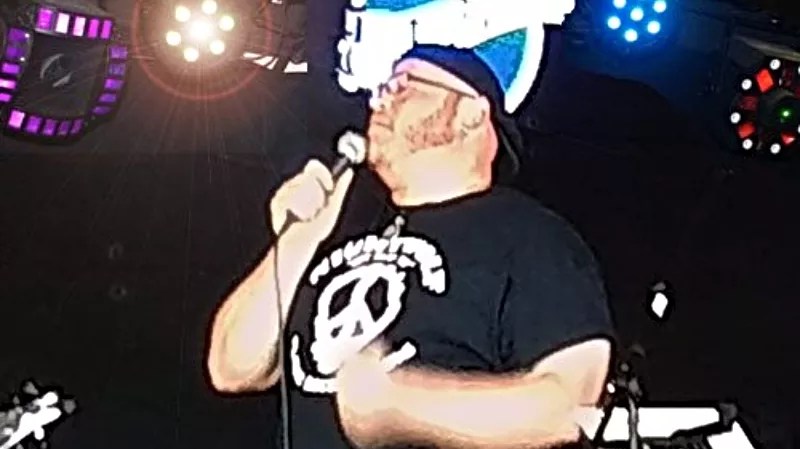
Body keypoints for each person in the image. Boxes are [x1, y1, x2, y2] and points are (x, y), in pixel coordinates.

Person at [206, 44, 616, 449]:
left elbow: (567, 408)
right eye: (381, 88)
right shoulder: (343, 228)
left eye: (402, 86)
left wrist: (399, 403)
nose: (378, 100)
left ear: (472, 115)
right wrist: (296, 241)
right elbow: (231, 368)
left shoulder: (530, 236)